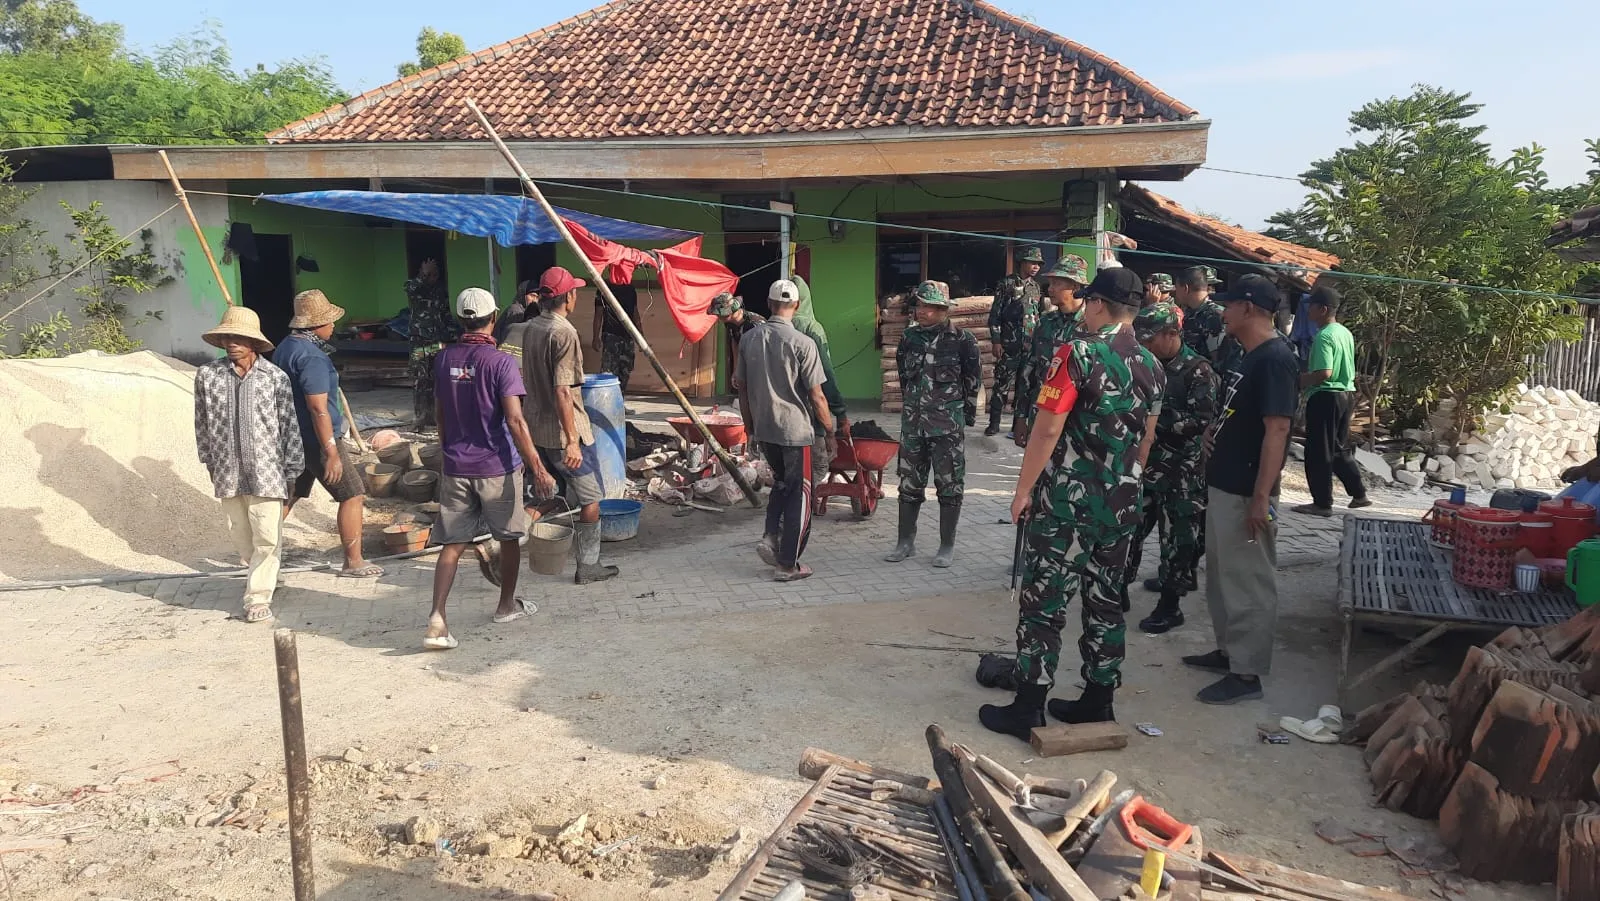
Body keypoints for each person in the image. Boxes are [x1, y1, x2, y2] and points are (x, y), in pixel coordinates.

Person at [979, 268, 1163, 740]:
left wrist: (1023, 491)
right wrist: (1125, 482)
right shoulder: (1152, 364)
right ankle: (1098, 701)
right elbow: (1146, 441)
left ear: (1097, 304)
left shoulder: (1076, 353)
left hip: (1068, 505)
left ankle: (1028, 707)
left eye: (1088, 301)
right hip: (1122, 504)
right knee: (1105, 601)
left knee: (1044, 602)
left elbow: (1047, 429)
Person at [1186, 274, 1298, 705]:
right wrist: (1214, 431)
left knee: (1249, 581)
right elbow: (1240, 412)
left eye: (1230, 304)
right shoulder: (1249, 355)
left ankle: (1247, 673)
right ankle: (1229, 652)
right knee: (1223, 577)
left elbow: (1278, 429)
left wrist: (1261, 497)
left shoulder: (1275, 359)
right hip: (1226, 485)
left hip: (1247, 492)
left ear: (1248, 308)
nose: (1223, 312)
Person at [426, 288, 556, 650]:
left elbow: (440, 413)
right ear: (493, 318)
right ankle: (505, 605)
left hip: (456, 466)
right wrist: (538, 467)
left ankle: (437, 618)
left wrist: (448, 451)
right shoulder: (501, 363)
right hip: (497, 467)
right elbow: (515, 420)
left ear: (460, 319)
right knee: (509, 538)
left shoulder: (443, 359)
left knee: (452, 543)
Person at [193, 306, 304, 624]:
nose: (232, 343)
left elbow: (288, 424)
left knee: (267, 535)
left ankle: (257, 596)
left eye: (239, 338)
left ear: (254, 342)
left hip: (268, 471)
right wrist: (208, 460)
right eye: (228, 337)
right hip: (227, 470)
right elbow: (201, 422)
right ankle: (267, 573)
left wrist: (293, 469)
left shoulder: (274, 378)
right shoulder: (208, 376)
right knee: (241, 534)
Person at [275, 290, 383, 579]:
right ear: (315, 325)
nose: (333, 326)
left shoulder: (285, 347)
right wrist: (331, 450)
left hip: (292, 436)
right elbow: (318, 408)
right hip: (317, 438)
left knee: (290, 495)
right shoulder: (312, 357)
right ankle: (353, 561)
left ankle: (260, 552)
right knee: (352, 493)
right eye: (329, 321)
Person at [521, 267, 619, 585]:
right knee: (590, 500)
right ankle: (588, 566)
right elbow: (563, 391)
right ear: (569, 297)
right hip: (564, 432)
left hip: (537, 428)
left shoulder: (531, 327)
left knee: (553, 493)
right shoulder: (564, 333)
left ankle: (502, 542)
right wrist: (573, 441)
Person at [735, 280, 836, 582]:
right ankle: (788, 564)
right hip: (795, 432)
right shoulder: (804, 343)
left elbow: (742, 391)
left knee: (780, 484)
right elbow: (817, 396)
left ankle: (770, 536)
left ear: (769, 304)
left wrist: (750, 428)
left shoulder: (749, 340)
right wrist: (830, 431)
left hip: (765, 429)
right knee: (800, 496)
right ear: (797, 305)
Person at [1127, 302, 1218, 633]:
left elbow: (1202, 421)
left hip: (1182, 472)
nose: (1145, 345)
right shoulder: (1144, 364)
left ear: (1171, 334)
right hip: (1146, 467)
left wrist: (1153, 421)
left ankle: (1170, 605)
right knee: (1130, 531)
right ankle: (1119, 587)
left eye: (1151, 339)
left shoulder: (1198, 371)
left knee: (1178, 542)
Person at [884, 281, 981, 568]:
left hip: (946, 427)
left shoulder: (963, 340)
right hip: (914, 425)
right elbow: (904, 378)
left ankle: (946, 545)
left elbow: (972, 382)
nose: (922, 311)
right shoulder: (909, 338)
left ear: (943, 309)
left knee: (949, 486)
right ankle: (905, 542)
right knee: (908, 484)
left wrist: (964, 418)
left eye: (929, 306)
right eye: (920, 305)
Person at [1292, 286, 1371, 515]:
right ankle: (1358, 493)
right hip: (1345, 396)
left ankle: (1322, 502)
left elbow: (1324, 372)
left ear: (1323, 309)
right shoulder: (1344, 332)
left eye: (1311, 307)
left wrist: (1299, 380)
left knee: (1318, 452)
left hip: (1325, 396)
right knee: (1337, 448)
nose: (1308, 311)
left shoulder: (1324, 336)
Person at [1013, 255, 1089, 445]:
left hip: (1076, 421)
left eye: (1057, 283)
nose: (1050, 288)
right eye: (1051, 283)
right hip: (1041, 415)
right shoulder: (1046, 322)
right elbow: (1029, 370)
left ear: (1075, 287)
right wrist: (1021, 416)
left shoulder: (1091, 325)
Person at [792, 275, 851, 482]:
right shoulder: (811, 328)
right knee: (817, 468)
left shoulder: (768, 330)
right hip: (809, 411)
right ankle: (805, 500)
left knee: (787, 470)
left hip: (776, 416)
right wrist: (839, 412)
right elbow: (825, 375)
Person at [985, 247, 1044, 436]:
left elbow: (1039, 316)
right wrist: (996, 341)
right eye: (1032, 263)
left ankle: (1016, 427)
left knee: (1024, 387)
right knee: (1001, 385)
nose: (1036, 267)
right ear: (1022, 263)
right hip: (1009, 345)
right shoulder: (1007, 284)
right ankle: (994, 424)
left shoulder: (1036, 287)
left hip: (1029, 346)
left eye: (1039, 264)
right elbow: (995, 315)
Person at [406, 258, 457, 429]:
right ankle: (420, 418)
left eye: (435, 274)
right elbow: (412, 288)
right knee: (420, 379)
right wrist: (424, 274)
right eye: (430, 274)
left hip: (437, 343)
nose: (433, 277)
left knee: (437, 378)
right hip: (419, 343)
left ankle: (436, 417)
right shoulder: (415, 287)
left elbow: (446, 314)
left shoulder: (440, 290)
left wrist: (455, 336)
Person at [591, 278, 640, 392]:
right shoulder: (603, 288)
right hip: (611, 336)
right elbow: (598, 314)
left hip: (628, 336)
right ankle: (606, 399)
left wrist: (640, 335)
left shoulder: (630, 289)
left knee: (625, 370)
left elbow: (635, 313)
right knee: (608, 371)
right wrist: (595, 337)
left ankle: (620, 399)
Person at [710, 292, 764, 364]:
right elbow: (735, 343)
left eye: (719, 314)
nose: (717, 316)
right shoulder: (730, 324)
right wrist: (736, 367)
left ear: (727, 314)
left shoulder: (755, 325)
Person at [494, 279, 539, 345]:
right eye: (532, 295)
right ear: (522, 295)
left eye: (537, 297)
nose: (534, 300)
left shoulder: (524, 311)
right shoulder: (516, 311)